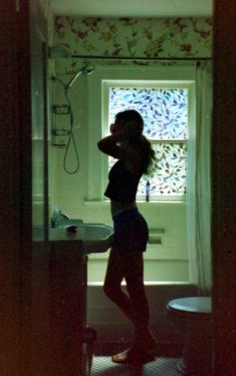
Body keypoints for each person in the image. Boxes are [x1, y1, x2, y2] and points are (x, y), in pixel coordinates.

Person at [97, 109, 156, 364]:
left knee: (131, 288)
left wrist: (121, 133)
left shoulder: (132, 154)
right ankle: (145, 338)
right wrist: (123, 131)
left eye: (119, 124)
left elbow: (102, 144)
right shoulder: (131, 153)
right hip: (126, 223)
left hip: (129, 224)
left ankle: (141, 344)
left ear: (128, 128)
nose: (113, 127)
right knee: (115, 287)